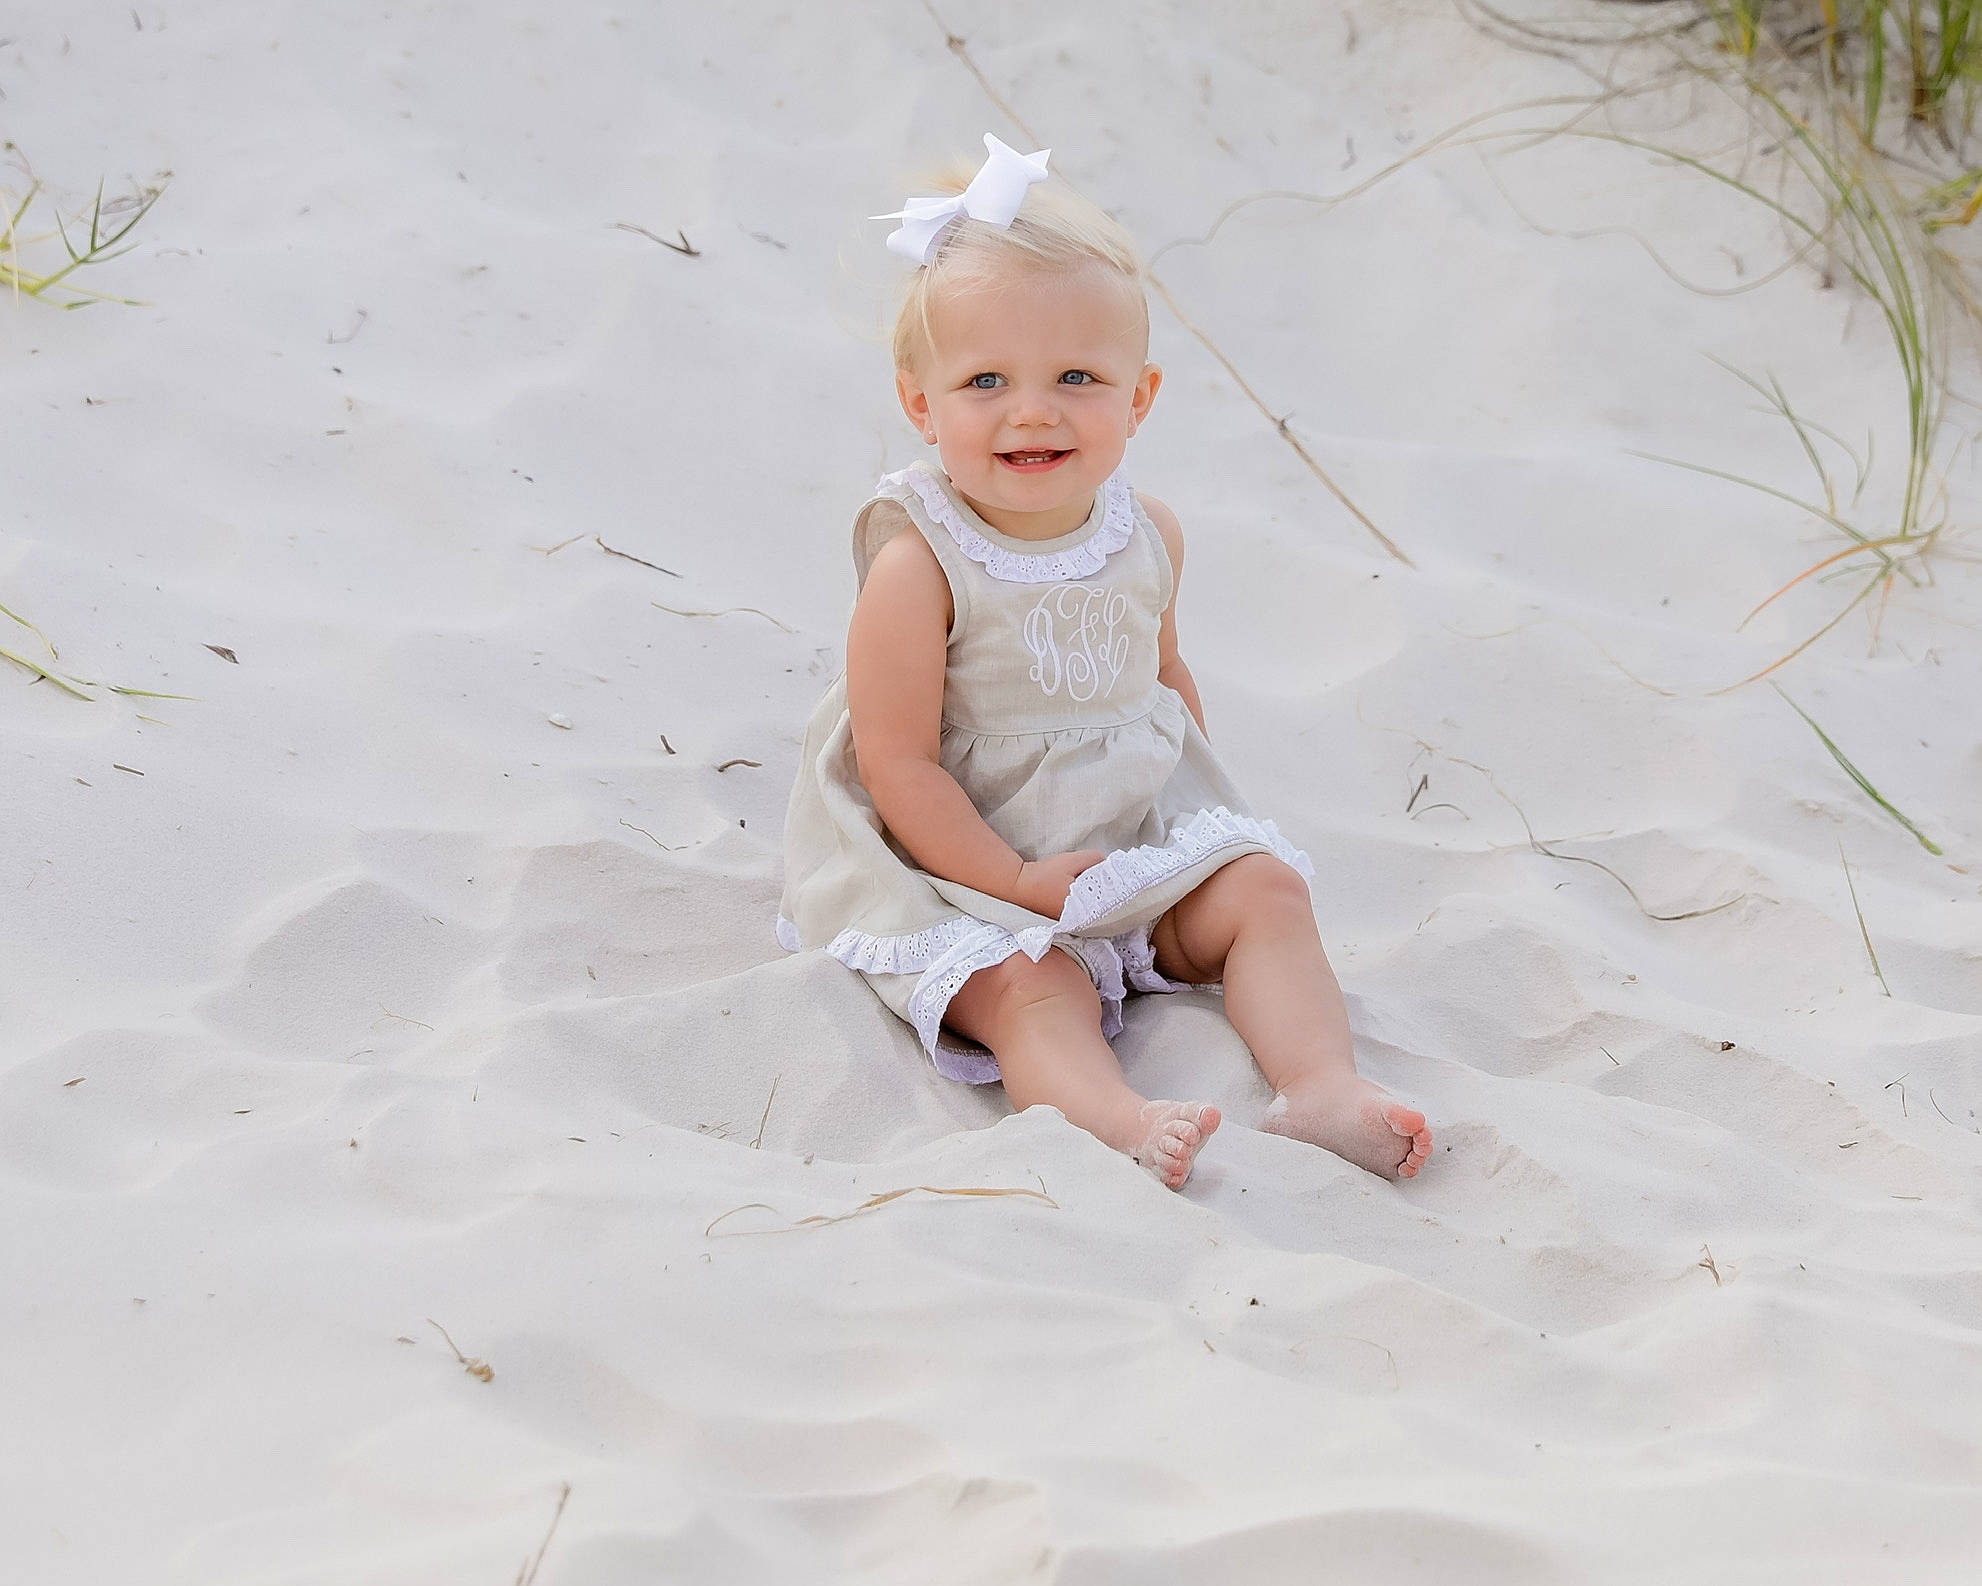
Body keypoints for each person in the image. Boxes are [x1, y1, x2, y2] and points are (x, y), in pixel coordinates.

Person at [775, 134, 1433, 1189]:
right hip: (966, 863)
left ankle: (1319, 1084)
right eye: (984, 379)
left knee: (1265, 891)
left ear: (1139, 397)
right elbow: (897, 766)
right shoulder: (918, 565)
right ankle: (1115, 1116)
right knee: (1032, 989)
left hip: (1121, 843)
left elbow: (1162, 684)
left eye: (1076, 377)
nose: (1032, 408)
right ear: (920, 403)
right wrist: (1013, 881)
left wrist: (1194, 841)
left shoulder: (1147, 533)